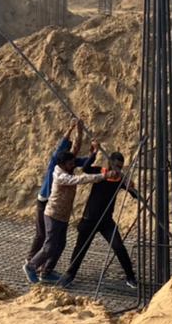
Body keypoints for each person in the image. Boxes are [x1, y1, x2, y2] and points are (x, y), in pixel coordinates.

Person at [58, 151, 140, 290]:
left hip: (106, 222)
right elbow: (85, 168)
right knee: (80, 248)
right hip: (89, 219)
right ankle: (70, 275)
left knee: (118, 247)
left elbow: (134, 194)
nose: (117, 169)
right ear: (109, 163)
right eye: (115, 166)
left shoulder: (120, 179)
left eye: (120, 167)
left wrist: (131, 186)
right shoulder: (99, 172)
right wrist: (94, 153)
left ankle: (130, 277)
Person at [24, 149, 103, 284]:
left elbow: (83, 163)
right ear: (62, 164)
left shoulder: (67, 169)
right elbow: (79, 179)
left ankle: (46, 271)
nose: (73, 166)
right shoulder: (60, 175)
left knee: (60, 244)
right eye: (70, 163)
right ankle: (31, 266)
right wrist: (102, 176)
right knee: (50, 246)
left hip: (63, 216)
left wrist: (93, 153)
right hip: (53, 215)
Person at [28, 119, 95, 265]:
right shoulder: (56, 162)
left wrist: (90, 148)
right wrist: (71, 129)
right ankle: (31, 261)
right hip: (45, 201)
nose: (73, 160)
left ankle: (43, 267)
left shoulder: (70, 163)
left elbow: (85, 160)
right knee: (42, 235)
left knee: (55, 241)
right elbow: (66, 144)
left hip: (56, 205)